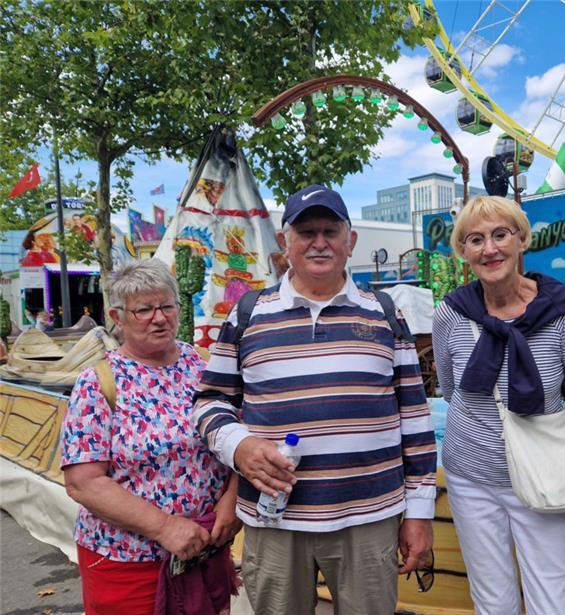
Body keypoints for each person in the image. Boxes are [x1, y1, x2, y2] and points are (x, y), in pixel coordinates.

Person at [193, 184, 437, 615]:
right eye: (306, 233)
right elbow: (210, 401)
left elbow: (415, 418)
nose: (319, 243)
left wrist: (419, 512)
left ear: (350, 241)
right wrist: (239, 446)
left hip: (369, 519)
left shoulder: (383, 313)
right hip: (274, 520)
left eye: (330, 231)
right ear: (285, 242)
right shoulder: (248, 314)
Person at [432, 195, 565, 615]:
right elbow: (451, 391)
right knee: (492, 599)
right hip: (470, 476)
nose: (489, 249)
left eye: (500, 235)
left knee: (554, 598)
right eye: (475, 240)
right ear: (463, 252)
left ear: (522, 240)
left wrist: (530, 440)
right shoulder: (451, 314)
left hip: (542, 475)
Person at [61, 259, 241, 615]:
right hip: (129, 563)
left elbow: (240, 438)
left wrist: (233, 499)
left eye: (166, 306)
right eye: (143, 310)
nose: (159, 318)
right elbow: (83, 483)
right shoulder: (98, 383)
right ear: (118, 317)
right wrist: (165, 527)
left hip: (205, 550)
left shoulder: (204, 365)